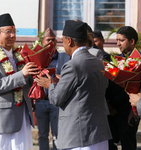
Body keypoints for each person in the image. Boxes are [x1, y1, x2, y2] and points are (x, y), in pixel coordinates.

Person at [36, 20, 112, 150]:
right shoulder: (99, 62)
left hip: (80, 136)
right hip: (99, 134)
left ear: (69, 41)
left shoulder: (72, 65)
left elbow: (56, 99)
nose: (62, 44)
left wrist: (50, 85)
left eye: (63, 40)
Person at [0, 13, 39, 150]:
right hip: (2, 120)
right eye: (8, 32)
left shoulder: (20, 56)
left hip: (22, 116)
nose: (12, 35)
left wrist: (38, 76)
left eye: (14, 31)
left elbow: (27, 82)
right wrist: (22, 74)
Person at [106, 26, 140, 150]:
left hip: (128, 111)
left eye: (121, 40)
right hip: (112, 111)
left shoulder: (139, 61)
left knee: (128, 144)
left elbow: (133, 87)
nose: (118, 43)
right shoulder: (116, 59)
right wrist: (109, 104)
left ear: (132, 41)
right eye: (117, 40)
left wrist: (114, 103)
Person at [34, 28, 59, 150]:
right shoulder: (38, 58)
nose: (51, 42)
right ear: (43, 42)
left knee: (57, 135)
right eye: (48, 40)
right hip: (41, 101)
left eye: (53, 40)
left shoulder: (63, 57)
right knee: (42, 135)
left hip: (56, 101)